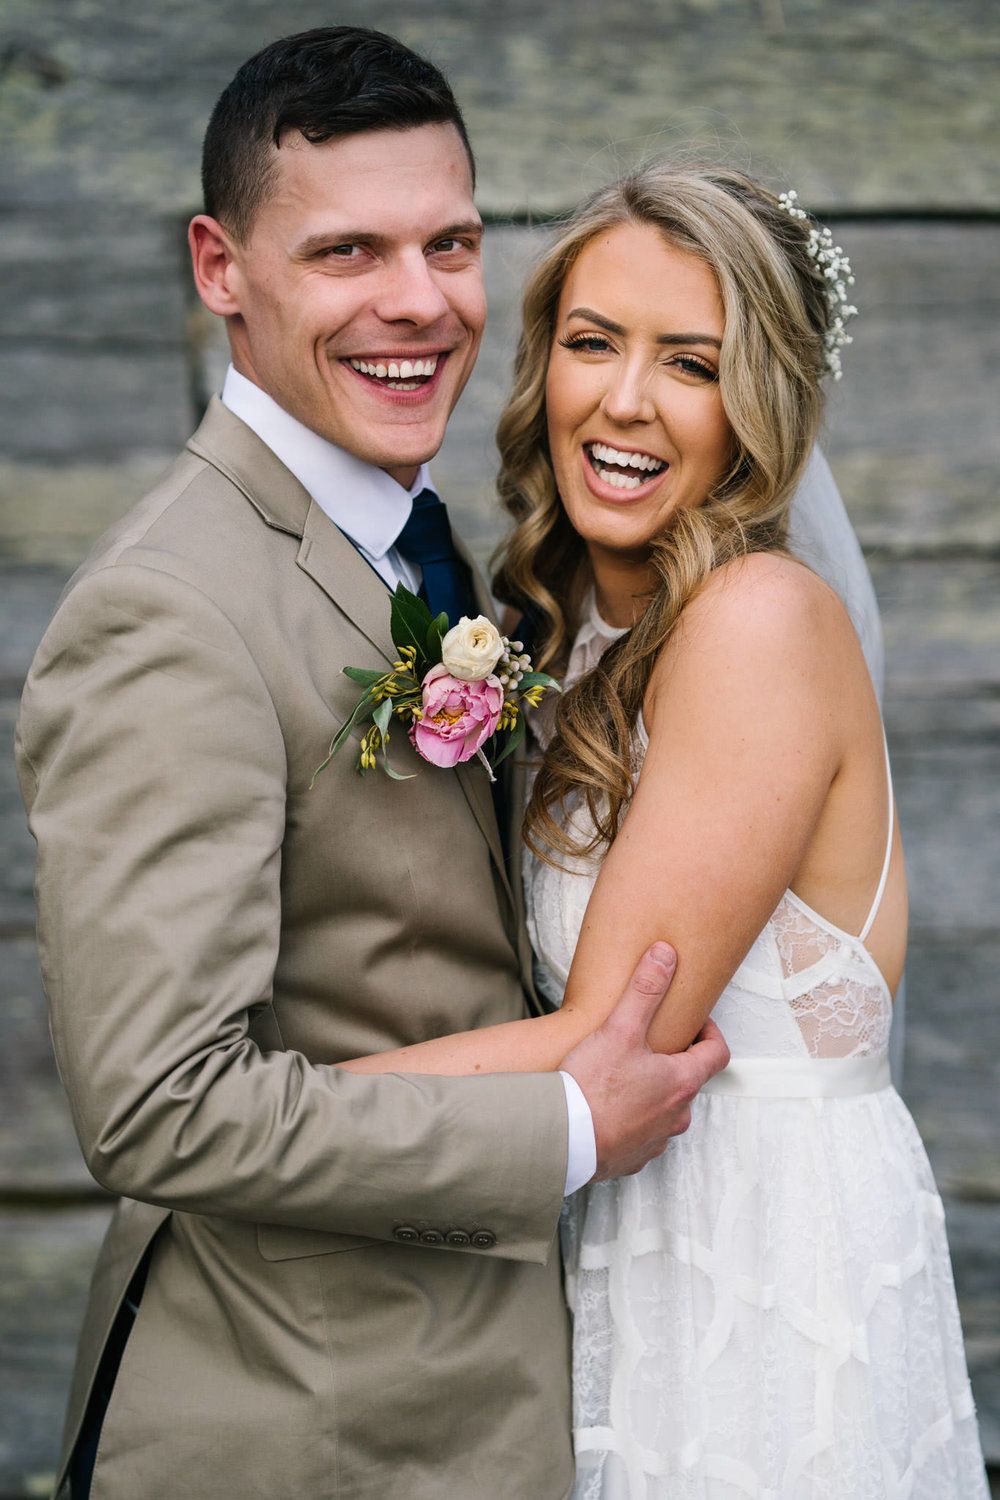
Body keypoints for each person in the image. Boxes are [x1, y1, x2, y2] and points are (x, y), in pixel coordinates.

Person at [15, 28, 736, 1500]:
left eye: (450, 242)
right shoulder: (170, 609)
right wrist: (567, 1125)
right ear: (222, 268)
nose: (419, 303)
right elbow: (162, 1106)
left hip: (476, 1393)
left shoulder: (421, 541)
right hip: (307, 1423)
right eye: (348, 252)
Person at [337, 165, 989, 1495]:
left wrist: (267, 1119)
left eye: (690, 362)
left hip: (759, 1275)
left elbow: (606, 1039)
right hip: (620, 1238)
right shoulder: (569, 630)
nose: (623, 399)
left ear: (757, 412)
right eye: (592, 343)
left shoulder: (757, 623)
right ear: (544, 366)